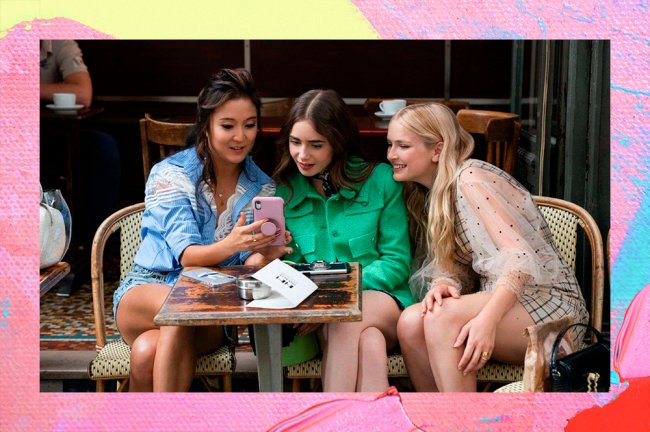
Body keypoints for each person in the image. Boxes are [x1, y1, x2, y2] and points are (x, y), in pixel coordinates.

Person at [388, 103, 588, 392]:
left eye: (402, 145)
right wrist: (444, 282)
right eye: (390, 144)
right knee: (409, 322)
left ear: (437, 150)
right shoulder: (433, 193)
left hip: (550, 307)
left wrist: (486, 322)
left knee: (443, 319)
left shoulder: (471, 179)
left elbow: (519, 261)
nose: (391, 155)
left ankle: (466, 422)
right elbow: (453, 263)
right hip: (506, 302)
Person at [113, 68, 291, 392]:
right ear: (206, 124)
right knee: (180, 303)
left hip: (214, 304)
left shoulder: (263, 187)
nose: (241, 136)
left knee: (145, 352)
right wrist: (232, 243)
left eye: (249, 125)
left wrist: (266, 255)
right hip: (147, 292)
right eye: (228, 125)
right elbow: (188, 257)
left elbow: (248, 269)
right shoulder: (171, 173)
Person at [273, 89, 414, 392]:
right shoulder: (285, 192)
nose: (302, 155)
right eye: (295, 143)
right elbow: (288, 265)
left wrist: (337, 293)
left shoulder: (381, 181)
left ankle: (329, 419)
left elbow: (396, 261)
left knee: (346, 319)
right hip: (323, 316)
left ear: (337, 143)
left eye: (316, 145)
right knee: (369, 344)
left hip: (384, 300)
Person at [40, 40, 121, 252]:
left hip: (52, 131)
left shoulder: (58, 41)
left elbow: (83, 94)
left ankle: (100, 246)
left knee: (103, 146)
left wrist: (20, 86)